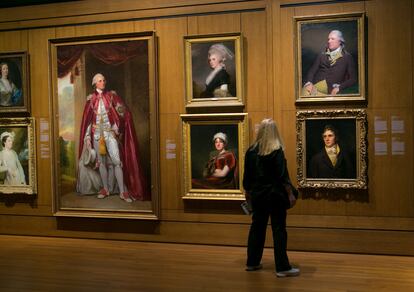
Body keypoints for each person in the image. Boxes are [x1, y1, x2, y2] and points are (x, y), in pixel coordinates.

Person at [77, 73, 147, 202]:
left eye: (104, 80)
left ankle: (122, 192)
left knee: (116, 162)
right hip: (97, 135)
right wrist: (87, 138)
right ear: (95, 83)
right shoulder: (90, 100)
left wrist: (118, 127)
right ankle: (105, 189)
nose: (103, 82)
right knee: (101, 163)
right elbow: (87, 122)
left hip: (110, 134)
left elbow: (120, 112)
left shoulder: (111, 96)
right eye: (100, 81)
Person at [243, 118, 299, 277]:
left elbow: (247, 177)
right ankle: (282, 267)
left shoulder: (251, 151)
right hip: (275, 196)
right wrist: (290, 194)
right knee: (279, 230)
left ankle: (252, 262)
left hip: (258, 196)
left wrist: (248, 193)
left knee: (257, 229)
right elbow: (282, 176)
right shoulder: (277, 150)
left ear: (260, 131)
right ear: (275, 131)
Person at [302, 30, 357, 96]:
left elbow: (353, 79)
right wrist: (309, 82)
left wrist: (339, 87)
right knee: (304, 93)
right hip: (315, 85)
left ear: (340, 41)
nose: (329, 41)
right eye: (328, 39)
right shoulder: (322, 54)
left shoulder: (347, 57)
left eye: (332, 39)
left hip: (330, 88)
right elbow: (312, 71)